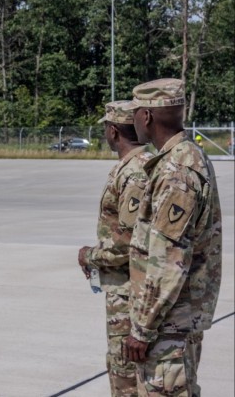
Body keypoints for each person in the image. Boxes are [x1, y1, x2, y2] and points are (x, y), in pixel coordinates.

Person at [122, 78, 222, 396]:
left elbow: (169, 260)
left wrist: (142, 328)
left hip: (168, 326)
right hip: (174, 321)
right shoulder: (182, 158)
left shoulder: (177, 171)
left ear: (147, 116)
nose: (133, 119)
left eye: (135, 112)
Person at [78, 101, 153, 397]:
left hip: (128, 292)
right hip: (128, 288)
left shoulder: (134, 171)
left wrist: (89, 256)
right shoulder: (139, 164)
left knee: (126, 377)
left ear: (113, 131)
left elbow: (128, 242)